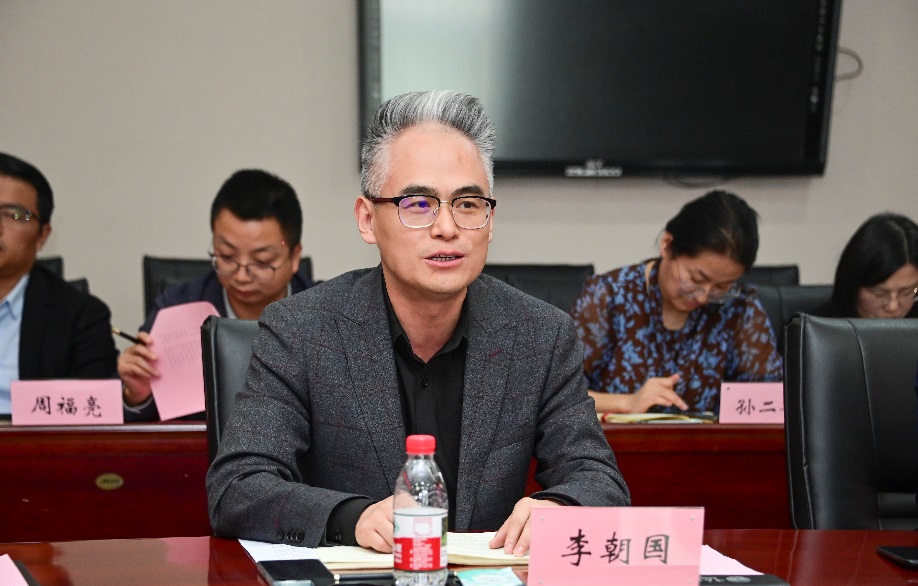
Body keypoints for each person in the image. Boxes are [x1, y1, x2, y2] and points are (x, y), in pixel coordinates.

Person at [206, 91, 630, 555]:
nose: (446, 227)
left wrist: (562, 505)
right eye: (419, 204)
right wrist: (351, 518)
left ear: (490, 222)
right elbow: (238, 487)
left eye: (468, 204)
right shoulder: (301, 330)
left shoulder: (540, 335)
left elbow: (598, 478)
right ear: (367, 220)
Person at [119, 169, 314, 421]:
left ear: (295, 256)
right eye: (227, 256)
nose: (241, 276)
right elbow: (135, 421)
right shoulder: (177, 306)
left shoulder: (329, 313)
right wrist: (137, 395)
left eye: (262, 261)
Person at [572, 190, 782, 415]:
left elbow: (771, 400)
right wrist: (628, 403)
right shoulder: (609, 296)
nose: (703, 297)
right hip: (615, 437)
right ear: (667, 244)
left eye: (722, 287)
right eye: (696, 279)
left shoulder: (739, 307)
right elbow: (559, 396)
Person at [0, 152, 117, 418]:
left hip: (29, 442)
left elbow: (95, 414)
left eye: (14, 215)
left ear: (42, 235)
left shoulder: (81, 317)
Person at [813, 213, 918, 319]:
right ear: (852, 286)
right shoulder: (814, 327)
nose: (892, 307)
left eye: (906, 292)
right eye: (879, 293)